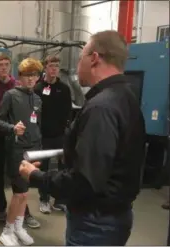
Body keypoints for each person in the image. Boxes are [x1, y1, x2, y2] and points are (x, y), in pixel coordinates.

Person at [19, 30, 146, 246]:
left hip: (94, 221)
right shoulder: (126, 96)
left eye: (80, 58)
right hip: (114, 214)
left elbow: (85, 181)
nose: (77, 66)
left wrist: (36, 176)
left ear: (94, 58)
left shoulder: (101, 107)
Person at [0, 52, 40, 229]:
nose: (3, 68)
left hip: (17, 141)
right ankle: (1, 209)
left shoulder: (18, 86)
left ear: (11, 67)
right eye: (0, 65)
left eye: (6, 64)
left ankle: (24, 212)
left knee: (19, 176)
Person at [0, 58, 43, 246]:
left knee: (25, 192)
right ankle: (7, 230)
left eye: (34, 75)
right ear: (20, 76)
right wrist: (12, 128)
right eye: (27, 75)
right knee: (19, 193)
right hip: (17, 150)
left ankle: (18, 227)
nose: (31, 79)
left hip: (34, 150)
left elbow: (38, 124)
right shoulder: (10, 95)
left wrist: (39, 147)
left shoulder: (38, 98)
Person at [33, 55, 72, 214]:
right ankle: (44, 199)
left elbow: (68, 111)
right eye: (51, 66)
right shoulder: (38, 88)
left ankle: (60, 200)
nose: (54, 69)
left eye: (56, 66)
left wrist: (67, 129)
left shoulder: (64, 88)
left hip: (61, 135)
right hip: (44, 135)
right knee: (45, 168)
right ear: (45, 68)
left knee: (64, 167)